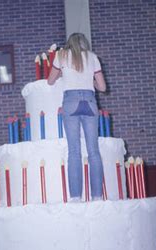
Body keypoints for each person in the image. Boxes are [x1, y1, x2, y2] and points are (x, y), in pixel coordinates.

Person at [48, 33, 106, 201]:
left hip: (70, 101)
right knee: (93, 151)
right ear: (84, 43)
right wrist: (91, 81)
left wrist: (61, 74)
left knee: (74, 151)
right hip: (89, 100)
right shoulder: (92, 57)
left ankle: (75, 197)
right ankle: (97, 196)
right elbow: (102, 87)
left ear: (69, 44)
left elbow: (50, 81)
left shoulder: (61, 55)